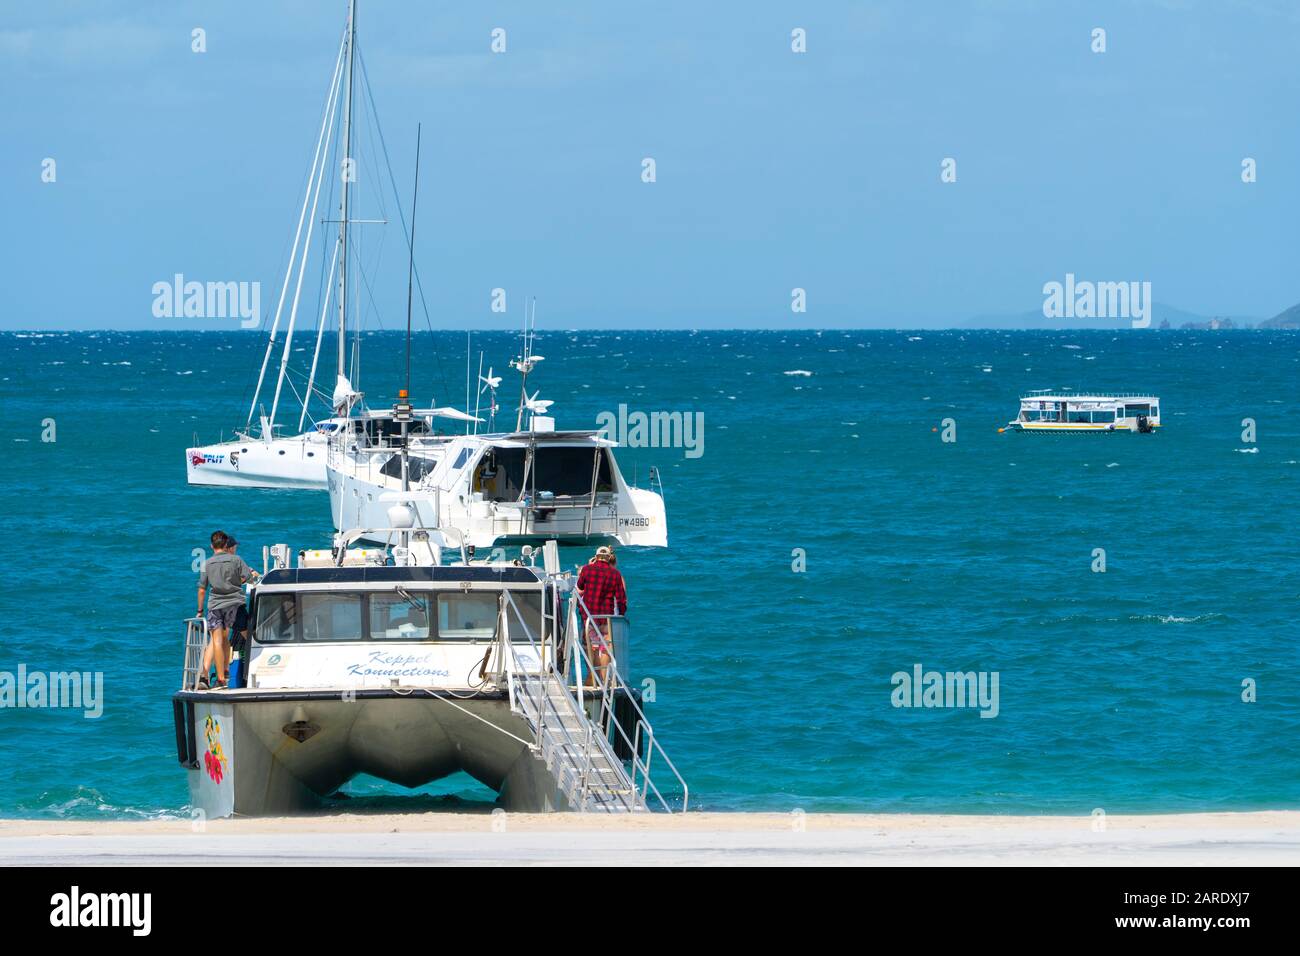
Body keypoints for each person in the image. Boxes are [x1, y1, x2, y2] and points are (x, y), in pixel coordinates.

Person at [196, 531, 258, 689]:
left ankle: (220, 679)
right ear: (226, 546)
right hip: (235, 605)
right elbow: (250, 578)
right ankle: (258, 670)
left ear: (211, 546)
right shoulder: (236, 560)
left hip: (215, 607)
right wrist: (242, 579)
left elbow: (202, 589)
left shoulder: (207, 563)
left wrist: (199, 610)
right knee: (251, 638)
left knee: (216, 641)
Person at [576, 545, 627, 686]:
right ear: (608, 557)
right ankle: (604, 680)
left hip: (589, 618)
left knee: (591, 647)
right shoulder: (615, 574)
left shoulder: (586, 570)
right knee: (605, 647)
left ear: (596, 556)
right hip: (606, 618)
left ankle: (593, 678)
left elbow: (579, 587)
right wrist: (621, 614)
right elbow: (621, 599)